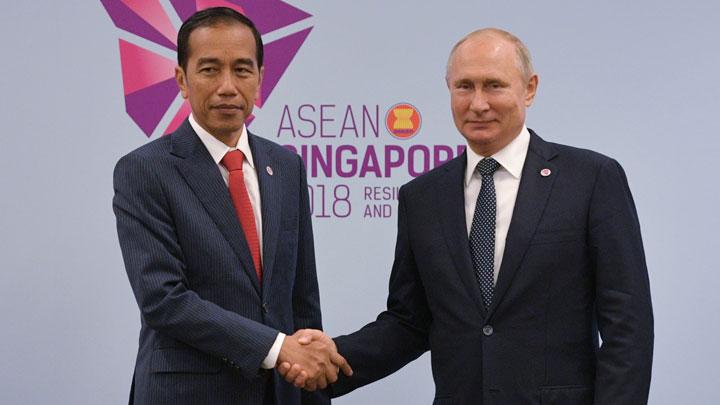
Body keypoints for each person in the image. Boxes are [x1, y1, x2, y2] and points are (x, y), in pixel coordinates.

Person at [281, 28, 654, 404]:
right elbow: (410, 322)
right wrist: (331, 360)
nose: (478, 103)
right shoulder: (421, 197)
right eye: (464, 86)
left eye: (494, 85)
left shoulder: (590, 179)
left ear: (529, 89)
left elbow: (628, 324)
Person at [113, 7, 349, 405]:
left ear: (260, 79)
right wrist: (277, 347)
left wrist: (311, 383)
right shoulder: (145, 170)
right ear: (182, 80)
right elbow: (163, 299)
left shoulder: (286, 166)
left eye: (242, 70)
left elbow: (301, 299)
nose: (227, 86)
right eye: (209, 70)